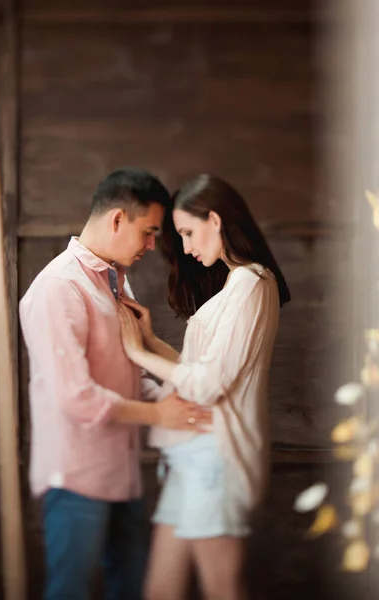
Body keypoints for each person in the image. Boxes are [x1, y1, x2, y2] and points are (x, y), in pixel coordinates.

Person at [19, 168, 211, 600]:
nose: (151, 246)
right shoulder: (58, 288)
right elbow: (76, 397)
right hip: (75, 479)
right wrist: (161, 413)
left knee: (131, 588)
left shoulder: (114, 281)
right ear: (118, 219)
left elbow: (128, 376)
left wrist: (179, 397)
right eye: (148, 233)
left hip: (122, 475)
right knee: (70, 592)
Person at [118, 174, 291, 600]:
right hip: (193, 453)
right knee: (161, 586)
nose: (189, 248)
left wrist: (138, 354)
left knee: (221, 587)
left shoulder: (252, 283)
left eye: (189, 234)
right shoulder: (237, 283)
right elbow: (202, 371)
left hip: (216, 456)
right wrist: (152, 339)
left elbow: (209, 384)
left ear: (215, 219)